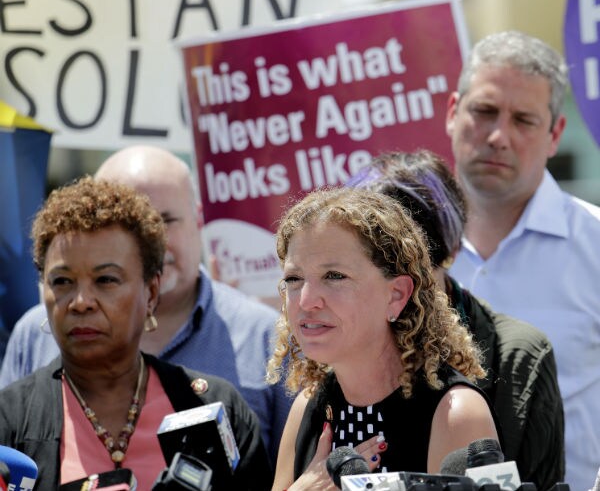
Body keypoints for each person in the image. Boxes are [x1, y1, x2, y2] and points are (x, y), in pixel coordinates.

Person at [0, 146, 291, 463]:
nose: (151, 241)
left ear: (198, 218)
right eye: (123, 225)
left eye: (164, 220)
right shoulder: (31, 335)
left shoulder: (267, 336)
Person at [347, 149, 564, 490]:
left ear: (452, 251)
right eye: (363, 269)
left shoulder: (519, 357)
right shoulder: (332, 352)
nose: (396, 295)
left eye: (410, 272)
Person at [445, 30, 600, 490]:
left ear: (555, 134)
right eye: (485, 111)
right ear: (452, 111)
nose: (498, 136)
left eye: (524, 120)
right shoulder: (395, 248)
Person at [266, 187, 499, 490]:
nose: (306, 301)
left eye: (334, 276)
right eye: (294, 279)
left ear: (397, 294)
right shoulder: (308, 406)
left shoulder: (455, 413)